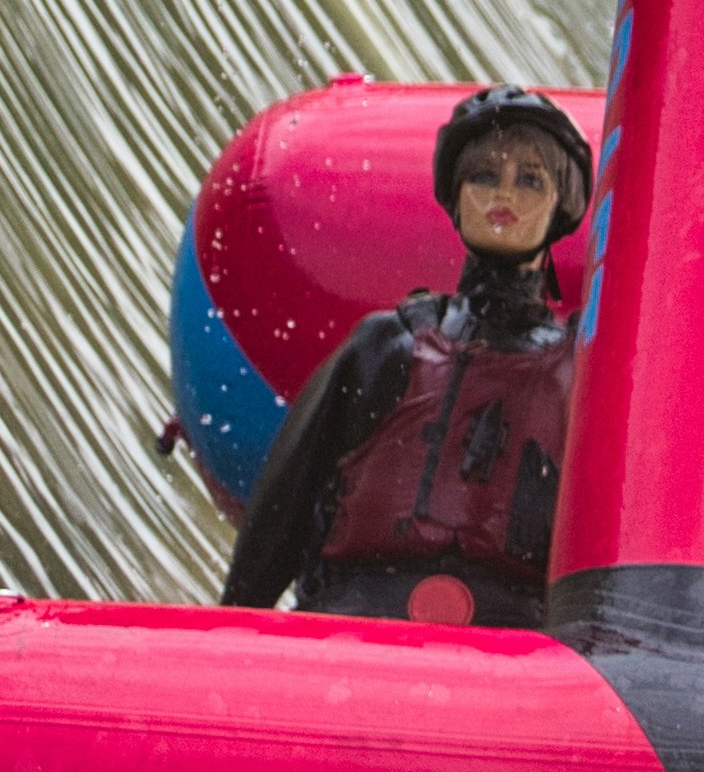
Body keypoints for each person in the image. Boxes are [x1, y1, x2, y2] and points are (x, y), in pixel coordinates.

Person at [220, 86, 593, 629]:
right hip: (356, 629)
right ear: (456, 195)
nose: (503, 194)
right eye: (484, 175)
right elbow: (278, 521)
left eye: (530, 180)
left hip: (507, 654)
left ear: (561, 205)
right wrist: (231, 635)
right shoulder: (385, 346)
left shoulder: (579, 373)